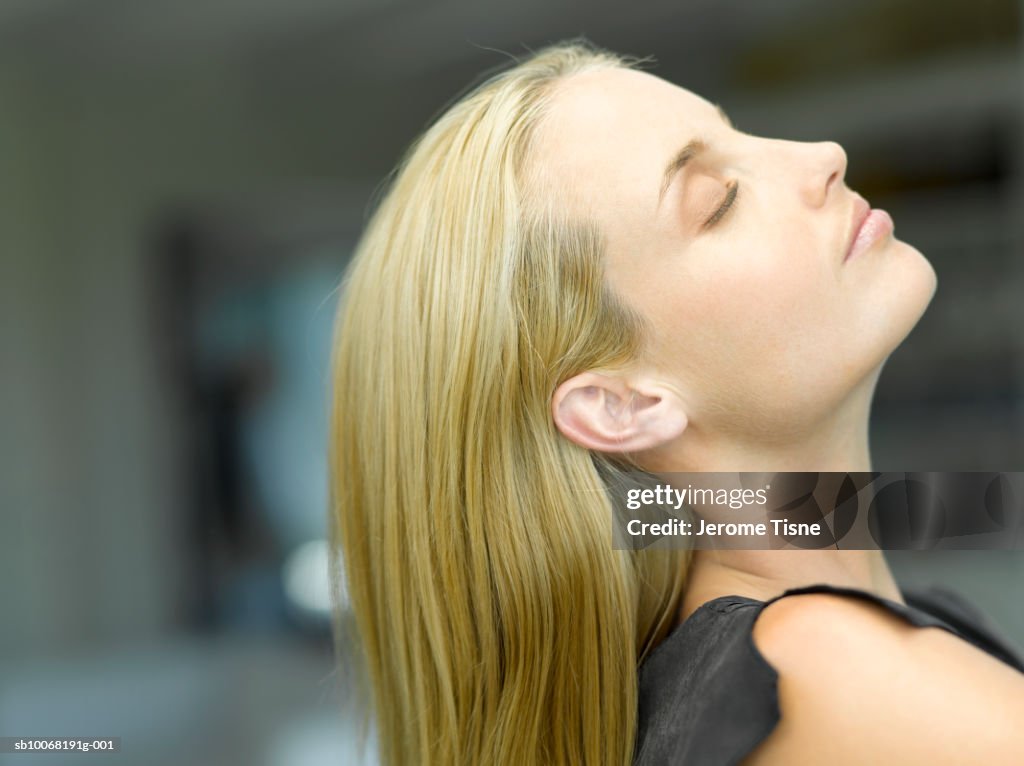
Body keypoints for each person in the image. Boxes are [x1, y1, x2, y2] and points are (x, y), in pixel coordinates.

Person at [328, 38, 1024, 766]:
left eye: (742, 135)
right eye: (718, 202)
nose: (823, 153)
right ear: (620, 404)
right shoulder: (821, 672)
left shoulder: (861, 645)